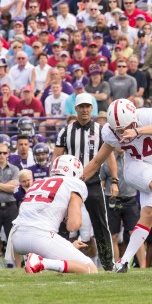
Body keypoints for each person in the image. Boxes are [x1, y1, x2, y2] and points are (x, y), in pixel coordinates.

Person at [81, 99, 152, 273]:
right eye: (117, 129)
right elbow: (97, 161)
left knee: (149, 215)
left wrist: (137, 131)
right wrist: (77, 179)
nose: (121, 132)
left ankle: (123, 262)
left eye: (124, 127)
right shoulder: (110, 132)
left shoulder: (146, 115)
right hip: (133, 168)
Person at [54, 93, 117, 271]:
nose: (84, 110)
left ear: (92, 108)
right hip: (69, 184)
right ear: (76, 108)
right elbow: (56, 158)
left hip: (93, 182)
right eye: (81, 106)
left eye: (87, 106)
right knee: (63, 223)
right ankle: (61, 261)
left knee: (100, 224)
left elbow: (110, 156)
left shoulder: (100, 130)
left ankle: (108, 264)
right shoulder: (65, 131)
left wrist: (114, 180)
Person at [10, 155, 98, 274]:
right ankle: (41, 263)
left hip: (17, 238)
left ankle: (35, 261)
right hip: (40, 237)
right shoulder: (74, 183)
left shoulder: (38, 182)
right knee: (90, 269)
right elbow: (73, 226)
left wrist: (68, 246)